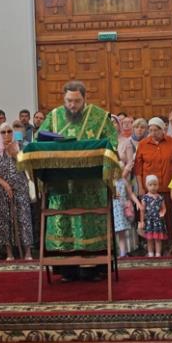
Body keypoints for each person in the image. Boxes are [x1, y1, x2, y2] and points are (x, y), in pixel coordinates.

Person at [37, 81, 119, 276]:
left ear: (85, 98)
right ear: (63, 99)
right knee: (64, 225)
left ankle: (96, 269)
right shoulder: (54, 116)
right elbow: (39, 140)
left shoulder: (99, 117)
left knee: (91, 223)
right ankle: (67, 270)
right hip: (61, 185)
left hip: (92, 185)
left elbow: (113, 143)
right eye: (69, 101)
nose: (72, 105)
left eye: (76, 101)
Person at [0, 122, 34, 261]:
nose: (6, 134)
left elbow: (27, 166)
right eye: (3, 132)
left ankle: (28, 252)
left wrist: (15, 154)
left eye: (9, 131)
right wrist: (5, 185)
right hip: (4, 190)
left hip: (21, 188)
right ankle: (9, 253)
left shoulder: (21, 146)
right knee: (5, 220)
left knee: (24, 219)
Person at [134, 117, 172, 235]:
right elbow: (138, 168)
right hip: (149, 189)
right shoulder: (143, 144)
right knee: (150, 218)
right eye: (150, 130)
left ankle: (170, 242)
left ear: (162, 130)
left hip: (168, 187)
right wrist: (140, 187)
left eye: (156, 130)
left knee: (168, 217)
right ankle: (151, 243)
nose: (153, 133)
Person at [112, 164, 138, 258]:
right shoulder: (110, 182)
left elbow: (131, 194)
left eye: (119, 170)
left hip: (120, 210)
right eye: (114, 170)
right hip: (112, 209)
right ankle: (112, 252)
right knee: (112, 233)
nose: (116, 173)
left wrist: (137, 203)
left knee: (121, 233)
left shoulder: (124, 181)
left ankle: (123, 253)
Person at [139, 175, 167, 257]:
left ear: (158, 185)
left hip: (158, 221)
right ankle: (150, 253)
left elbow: (164, 208)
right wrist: (142, 221)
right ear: (146, 186)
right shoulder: (145, 197)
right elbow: (142, 210)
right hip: (149, 221)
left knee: (158, 238)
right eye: (150, 185)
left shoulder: (160, 197)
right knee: (149, 239)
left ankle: (158, 253)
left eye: (155, 185)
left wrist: (163, 213)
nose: (153, 187)